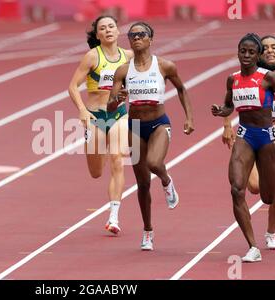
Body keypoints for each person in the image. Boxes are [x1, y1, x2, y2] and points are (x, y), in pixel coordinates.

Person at [107, 22, 194, 251]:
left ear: (151, 39)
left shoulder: (165, 66)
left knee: (154, 163)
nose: (137, 38)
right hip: (135, 126)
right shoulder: (123, 71)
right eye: (132, 35)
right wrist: (117, 99)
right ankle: (147, 231)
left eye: (141, 34)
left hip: (158, 124)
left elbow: (182, 89)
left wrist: (189, 118)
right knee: (142, 184)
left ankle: (166, 181)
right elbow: (109, 107)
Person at [211, 33, 275, 262]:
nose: (247, 55)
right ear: (238, 52)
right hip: (244, 136)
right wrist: (222, 111)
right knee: (236, 189)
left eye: (251, 52)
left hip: (267, 137)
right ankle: (252, 247)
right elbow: (230, 105)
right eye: (243, 51)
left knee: (269, 196)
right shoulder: (232, 79)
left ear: (257, 55)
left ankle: (267, 231)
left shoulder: (268, 77)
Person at [68, 15, 133, 235]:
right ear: (98, 35)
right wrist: (82, 110)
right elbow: (73, 87)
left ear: (118, 30)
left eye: (111, 27)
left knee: (118, 160)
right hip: (95, 117)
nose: (108, 31)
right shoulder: (91, 57)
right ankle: (101, 150)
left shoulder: (129, 57)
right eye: (103, 28)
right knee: (96, 172)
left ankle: (113, 216)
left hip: (118, 115)